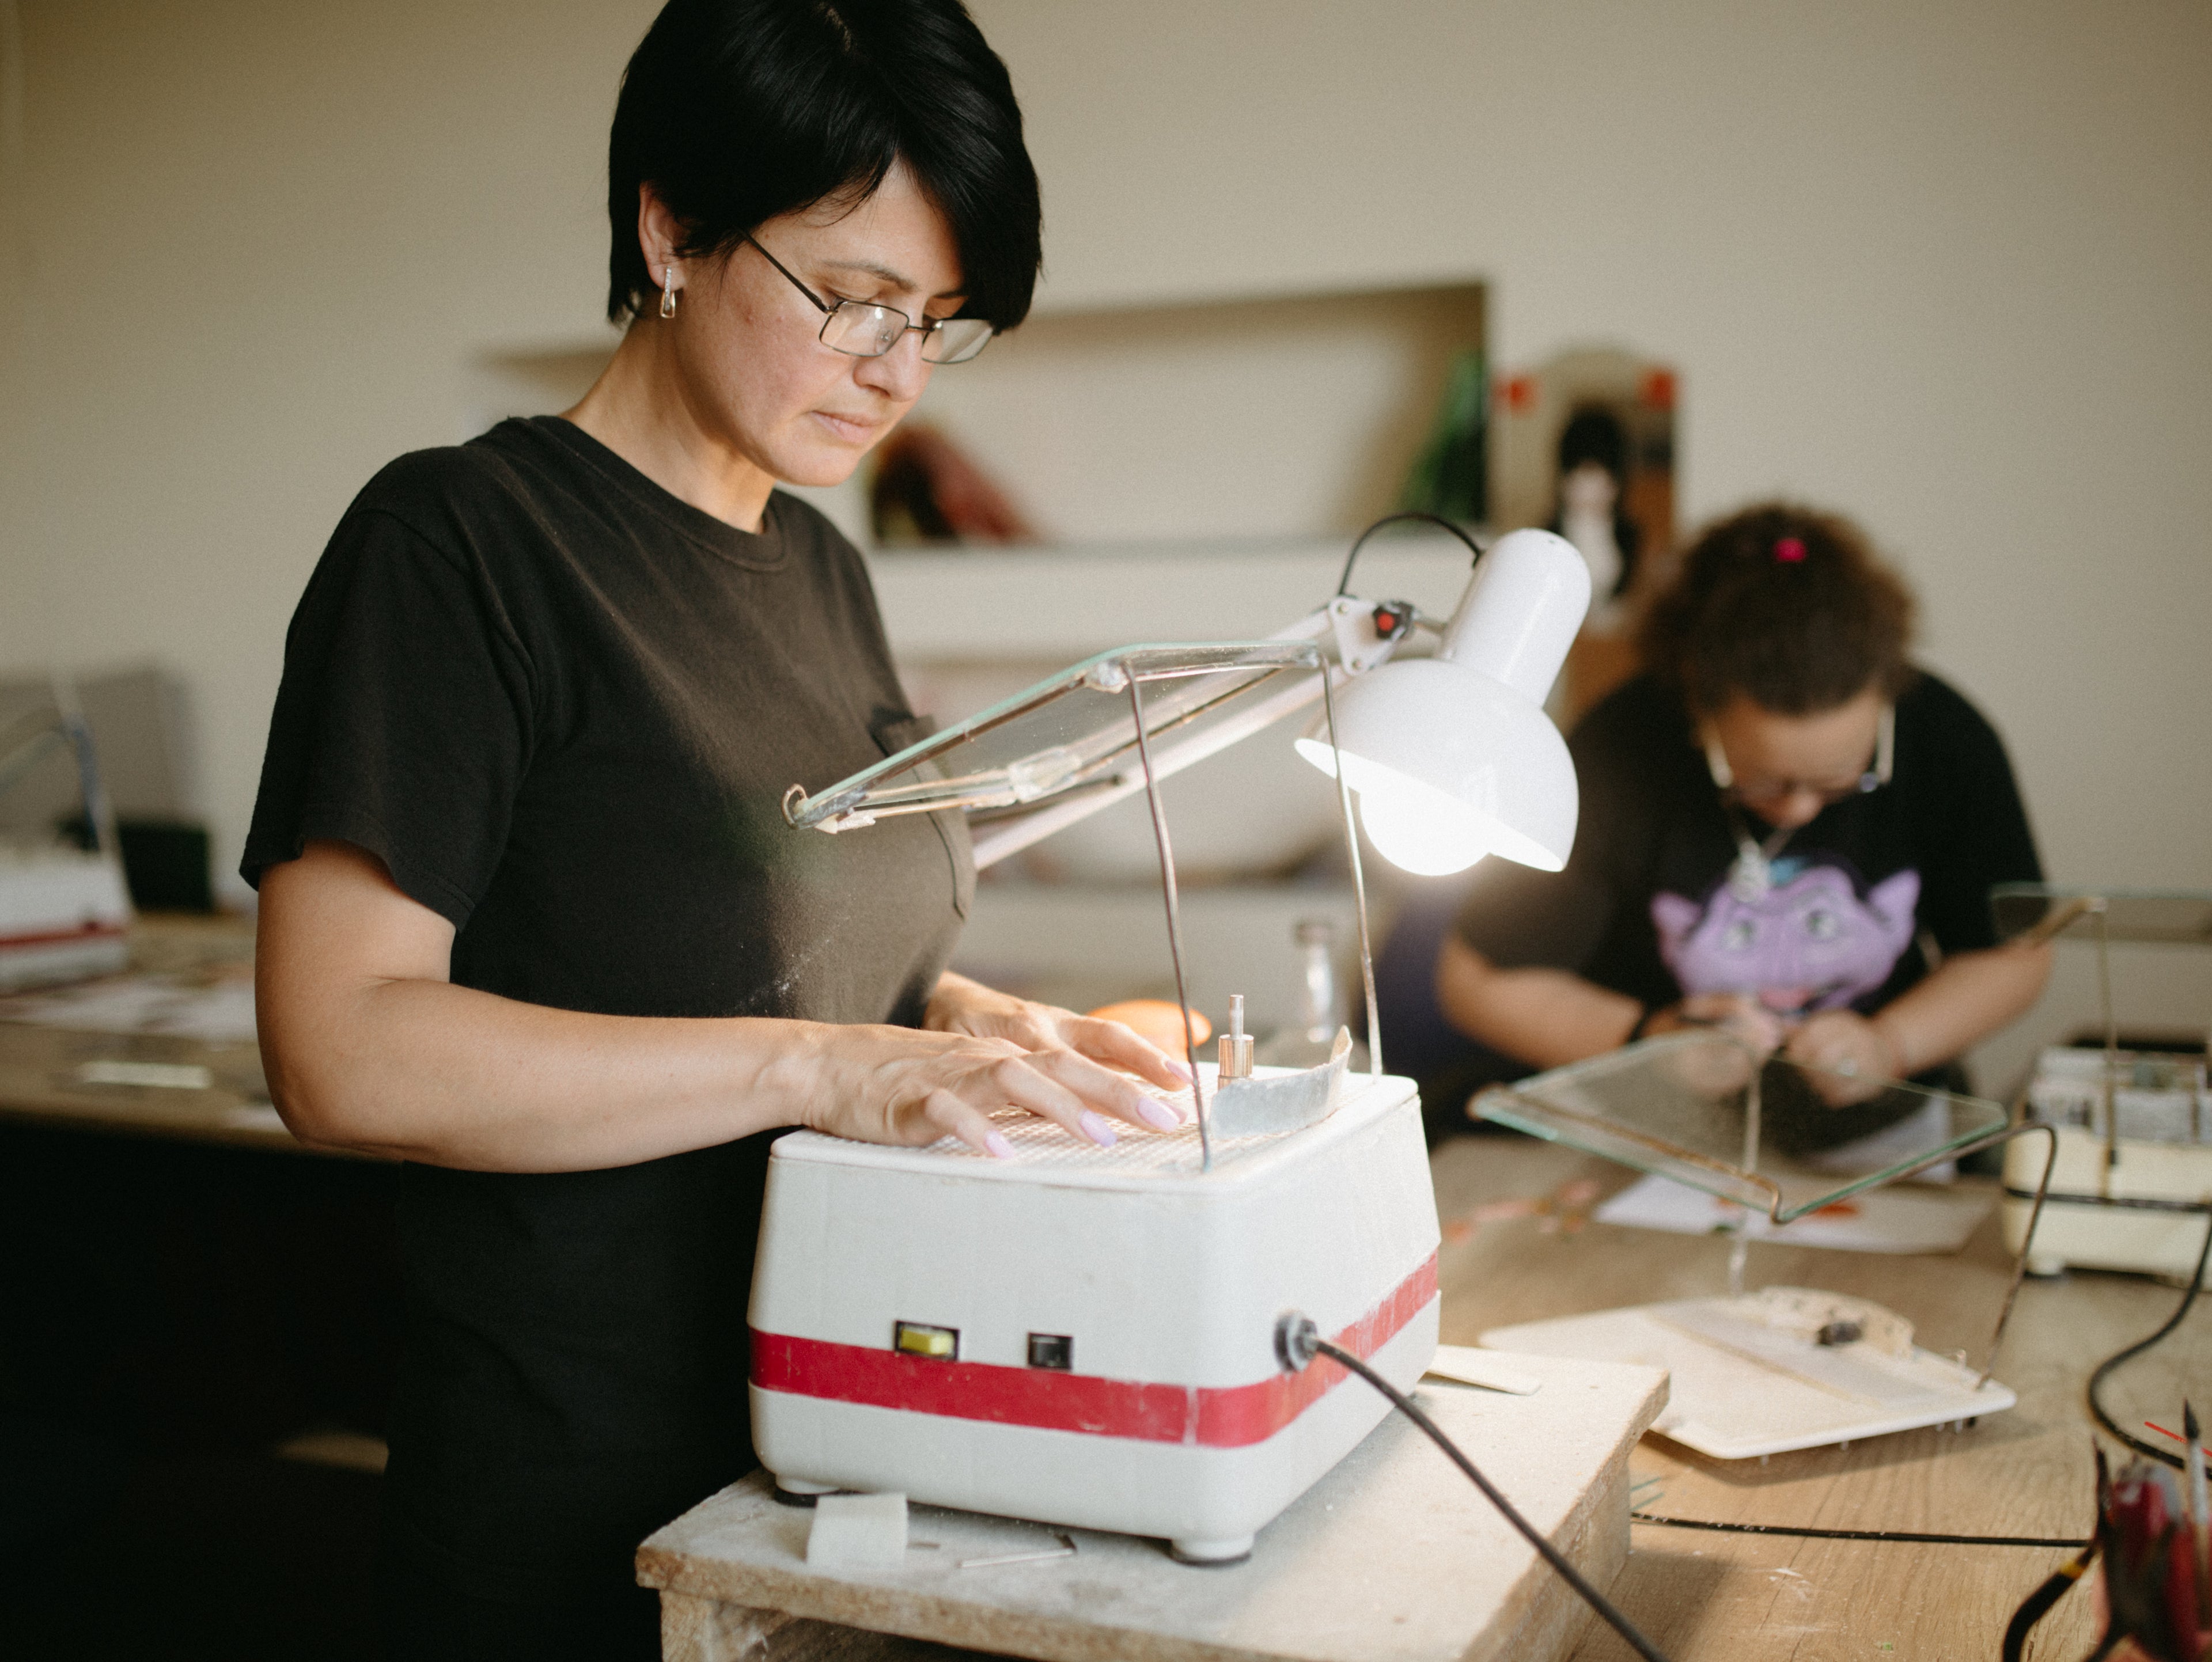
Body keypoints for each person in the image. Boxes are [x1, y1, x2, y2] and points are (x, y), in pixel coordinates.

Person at [240, 3, 1190, 1655]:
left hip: (843, 1459)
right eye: (854, 299)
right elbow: (342, 1047)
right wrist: (829, 1068)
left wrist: (975, 1032)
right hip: (579, 1507)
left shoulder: (824, 573)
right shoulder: (464, 545)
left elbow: (792, 947)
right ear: (669, 226)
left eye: (938, 322)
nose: (895, 371)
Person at [1417, 500, 2051, 1143]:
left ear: (1885, 697)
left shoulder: (1946, 739)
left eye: (1839, 778)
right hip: (1655, 1141)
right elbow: (1478, 981)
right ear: (1697, 707)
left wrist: (1888, 1045)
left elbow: (2015, 956)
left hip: (1885, 1139)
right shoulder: (1620, 750)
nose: (1800, 809)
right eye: (1762, 780)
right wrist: (1651, 1040)